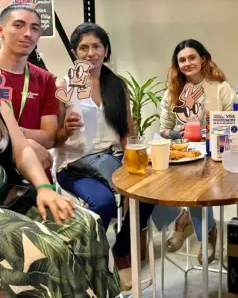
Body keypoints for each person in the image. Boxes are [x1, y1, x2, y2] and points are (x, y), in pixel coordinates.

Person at [0, 10, 120, 298]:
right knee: (45, 250)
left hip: (4, 199)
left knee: (87, 226)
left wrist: (44, 187)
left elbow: (22, 149)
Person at [53, 23, 154, 290]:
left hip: (113, 159)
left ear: (106, 50)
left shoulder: (117, 85)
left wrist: (138, 156)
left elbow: (127, 132)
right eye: (84, 48)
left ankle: (121, 251)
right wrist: (64, 129)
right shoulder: (63, 86)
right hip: (74, 164)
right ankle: (93, 266)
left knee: (148, 193)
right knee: (104, 203)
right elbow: (52, 138)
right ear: (75, 52)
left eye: (96, 46)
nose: (90, 53)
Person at [154, 39, 235, 264]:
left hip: (215, 154)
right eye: (182, 60)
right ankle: (194, 224)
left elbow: (236, 121)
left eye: (192, 57)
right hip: (184, 154)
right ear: (176, 64)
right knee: (156, 187)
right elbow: (163, 129)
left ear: (203, 59)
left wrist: (215, 130)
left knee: (200, 186)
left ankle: (196, 226)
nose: (187, 63)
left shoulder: (220, 87)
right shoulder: (172, 93)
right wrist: (177, 133)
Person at [0, 4, 58, 173]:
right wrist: (25, 141)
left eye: (35, 28)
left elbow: (49, 138)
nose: (28, 34)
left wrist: (11, 132)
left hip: (34, 175)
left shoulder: (45, 79)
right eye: (19, 25)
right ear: (0, 30)